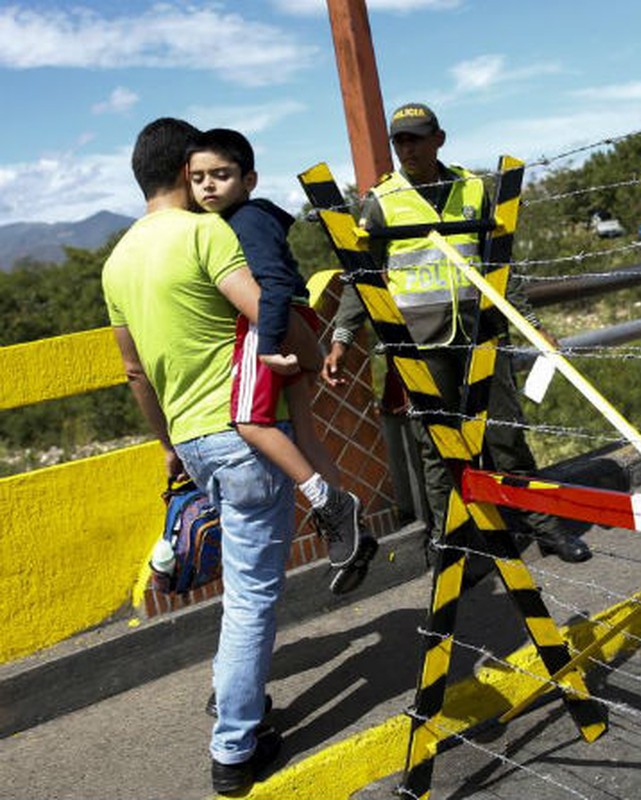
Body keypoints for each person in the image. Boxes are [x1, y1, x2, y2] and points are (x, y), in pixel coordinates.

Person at [101, 118, 285, 794]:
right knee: (253, 593)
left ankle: (232, 698)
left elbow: (134, 374)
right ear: (186, 168)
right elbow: (267, 311)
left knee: (242, 587)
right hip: (244, 434)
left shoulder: (117, 260)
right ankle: (235, 744)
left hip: (192, 441)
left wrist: (169, 444)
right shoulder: (207, 232)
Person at [322, 102, 590, 562]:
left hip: (480, 333)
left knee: (505, 435)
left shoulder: (472, 188)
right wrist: (342, 337)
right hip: (421, 345)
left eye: (416, 138)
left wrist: (534, 327)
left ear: (438, 139)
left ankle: (545, 528)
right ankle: (451, 543)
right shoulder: (382, 201)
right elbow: (360, 274)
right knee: (437, 446)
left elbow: (500, 266)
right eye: (399, 141)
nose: (407, 148)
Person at [187, 128, 377, 595]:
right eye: (198, 178)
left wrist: (269, 341)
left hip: (269, 321)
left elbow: (270, 282)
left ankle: (326, 504)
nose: (208, 186)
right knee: (305, 431)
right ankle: (353, 534)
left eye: (221, 175)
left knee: (250, 421)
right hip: (294, 315)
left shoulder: (245, 221)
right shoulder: (250, 216)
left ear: (248, 179)